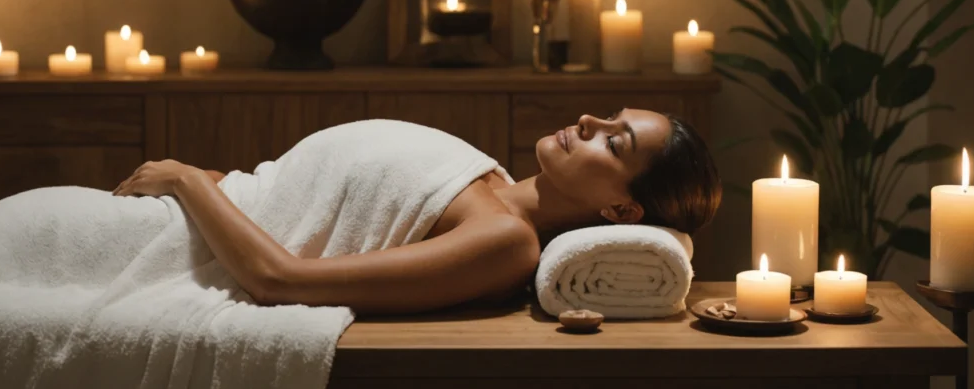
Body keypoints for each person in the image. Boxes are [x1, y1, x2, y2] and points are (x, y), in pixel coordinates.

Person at [113, 108, 722, 315]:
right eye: (609, 118)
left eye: (613, 143)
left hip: (166, 260)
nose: (590, 122)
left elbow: (282, 281)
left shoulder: (506, 241)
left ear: (621, 208)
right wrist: (217, 186)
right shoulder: (490, 179)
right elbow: (301, 196)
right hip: (166, 222)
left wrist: (190, 179)